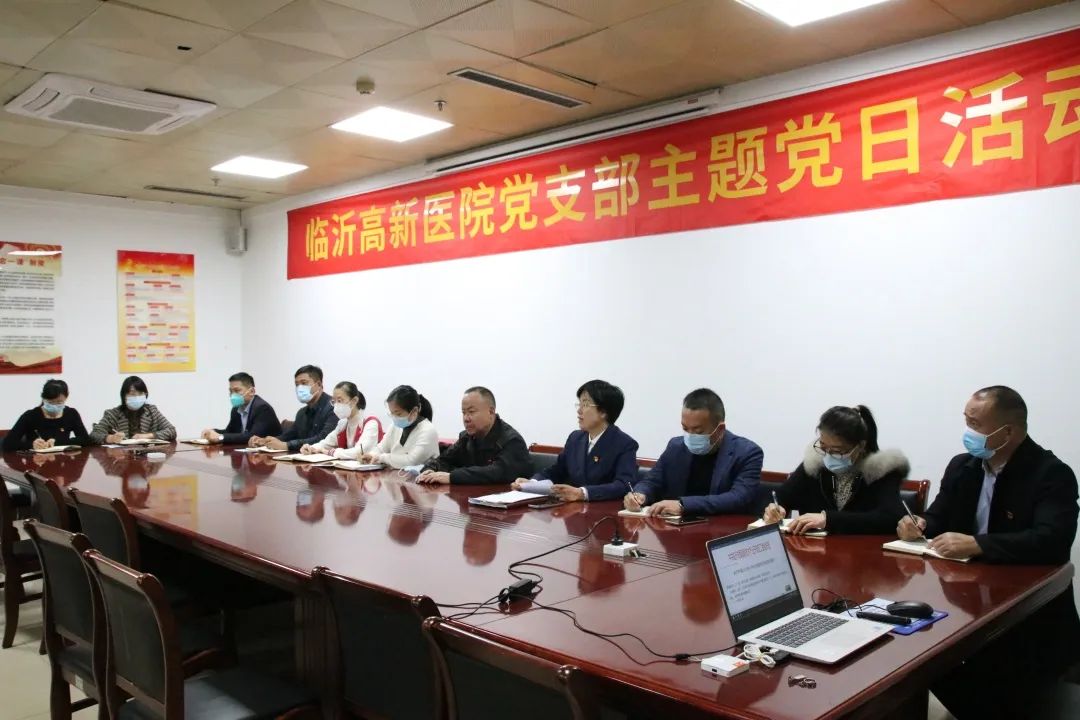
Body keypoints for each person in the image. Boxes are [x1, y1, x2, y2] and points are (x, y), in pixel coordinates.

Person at [896, 386, 1079, 718]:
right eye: (966, 421)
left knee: (989, 682)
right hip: (966, 599)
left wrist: (978, 544)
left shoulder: (1050, 474)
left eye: (976, 424)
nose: (968, 432)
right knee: (919, 662)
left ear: (1007, 432)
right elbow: (939, 517)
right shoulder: (962, 466)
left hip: (1029, 614)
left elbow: (1052, 540)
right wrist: (919, 524)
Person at [761, 406, 908, 534]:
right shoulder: (815, 464)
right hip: (813, 551)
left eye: (837, 451)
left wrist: (828, 519)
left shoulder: (881, 470)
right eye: (823, 447)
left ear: (860, 446)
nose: (828, 455)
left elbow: (891, 518)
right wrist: (775, 509)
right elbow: (781, 496)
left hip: (862, 552)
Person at [624, 388, 762, 516]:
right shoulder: (676, 446)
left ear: (720, 429)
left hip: (721, 527)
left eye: (698, 431)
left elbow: (739, 497)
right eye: (685, 428)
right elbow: (652, 481)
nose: (690, 436)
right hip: (674, 527)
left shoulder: (747, 453)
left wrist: (684, 505)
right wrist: (640, 494)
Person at [511, 379, 639, 502]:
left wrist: (582, 493)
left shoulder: (624, 444)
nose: (579, 410)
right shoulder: (575, 438)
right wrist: (532, 483)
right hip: (571, 509)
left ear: (603, 412)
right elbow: (557, 471)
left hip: (602, 511)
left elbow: (624, 485)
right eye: (579, 404)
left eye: (585, 404)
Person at [416, 386, 531, 485]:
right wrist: (430, 470)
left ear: (491, 412)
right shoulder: (466, 437)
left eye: (471, 412)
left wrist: (452, 477)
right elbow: (444, 460)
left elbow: (496, 473)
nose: (466, 419)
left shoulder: (511, 441)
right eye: (463, 413)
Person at [250, 365, 336, 452]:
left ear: (319, 384)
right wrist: (265, 441)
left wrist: (286, 445)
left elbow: (324, 439)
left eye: (304, 383)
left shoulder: (333, 407)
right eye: (297, 384)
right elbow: (289, 436)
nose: (299, 388)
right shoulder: (301, 413)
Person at [361, 385, 439, 468]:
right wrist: (371, 455)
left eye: (398, 414)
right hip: (395, 474)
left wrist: (382, 458)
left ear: (414, 411)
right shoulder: (395, 426)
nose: (394, 417)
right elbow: (381, 448)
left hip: (418, 476)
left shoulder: (428, 430)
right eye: (392, 413)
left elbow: (412, 461)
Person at [4, 379, 91, 451]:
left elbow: (85, 439)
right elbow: (7, 443)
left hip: (63, 461)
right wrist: (31, 445)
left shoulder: (71, 414)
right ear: (43, 398)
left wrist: (57, 442)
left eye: (59, 402)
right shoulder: (30, 416)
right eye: (50, 402)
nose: (54, 406)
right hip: (36, 462)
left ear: (66, 397)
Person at [301, 382, 382, 458]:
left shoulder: (371, 423)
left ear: (354, 401)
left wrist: (330, 452)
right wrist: (311, 448)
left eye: (339, 401)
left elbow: (360, 452)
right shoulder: (343, 424)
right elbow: (326, 443)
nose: (336, 405)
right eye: (334, 401)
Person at [90, 376, 177, 444]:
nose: (137, 397)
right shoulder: (112, 414)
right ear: (124, 396)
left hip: (146, 456)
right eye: (132, 394)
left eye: (140, 393)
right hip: (121, 457)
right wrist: (111, 438)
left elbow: (171, 431)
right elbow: (94, 435)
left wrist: (148, 436)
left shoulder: (152, 411)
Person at [201, 372, 281, 445]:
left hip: (270, 454)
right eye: (231, 391)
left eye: (237, 390)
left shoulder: (263, 408)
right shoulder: (236, 409)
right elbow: (230, 432)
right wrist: (213, 432)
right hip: (247, 450)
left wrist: (220, 437)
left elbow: (252, 437)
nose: (233, 395)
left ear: (252, 391)